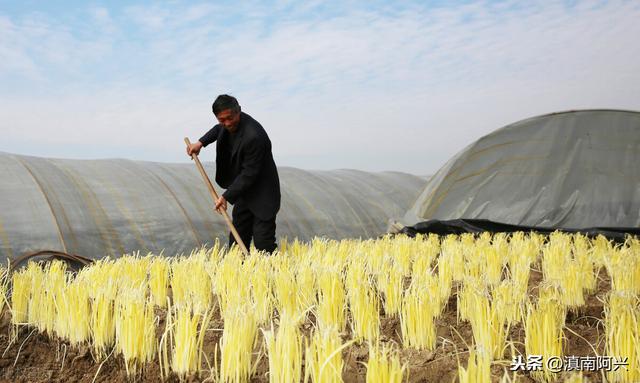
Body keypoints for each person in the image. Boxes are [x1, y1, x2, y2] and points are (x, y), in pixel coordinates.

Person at [186, 94, 280, 253]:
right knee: (237, 241)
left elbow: (249, 173)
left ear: (239, 111)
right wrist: (200, 143)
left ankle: (270, 275)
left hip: (262, 192)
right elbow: (217, 130)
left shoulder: (255, 136)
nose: (227, 123)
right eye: (222, 120)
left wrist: (226, 197)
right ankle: (240, 273)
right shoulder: (224, 124)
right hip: (244, 191)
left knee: (263, 243)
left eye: (230, 118)